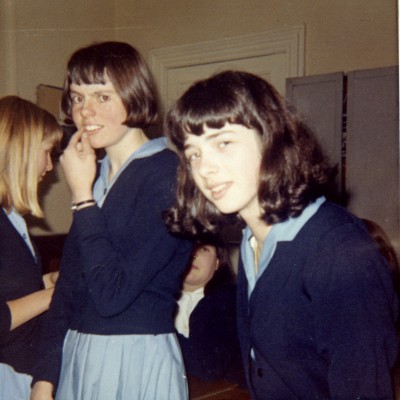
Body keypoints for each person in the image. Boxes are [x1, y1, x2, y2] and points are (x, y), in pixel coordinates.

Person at [164, 70, 399, 399]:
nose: (205, 169)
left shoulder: (337, 249)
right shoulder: (252, 240)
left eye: (223, 143)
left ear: (271, 140)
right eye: (194, 154)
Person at [30, 42, 192, 400]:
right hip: (79, 354)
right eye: (77, 97)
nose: (85, 111)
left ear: (135, 97)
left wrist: (82, 197)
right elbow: (68, 288)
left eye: (102, 97)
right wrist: (44, 378)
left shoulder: (168, 174)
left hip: (134, 356)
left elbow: (111, 295)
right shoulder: (94, 175)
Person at [0, 96, 61, 400]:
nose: (50, 166)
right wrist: (52, 295)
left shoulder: (12, 219)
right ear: (20, 150)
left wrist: (47, 282)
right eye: (46, 152)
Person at [175, 235, 244, 385]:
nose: (193, 253)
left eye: (204, 249)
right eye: (189, 246)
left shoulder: (229, 301)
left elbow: (209, 366)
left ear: (217, 263)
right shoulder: (157, 299)